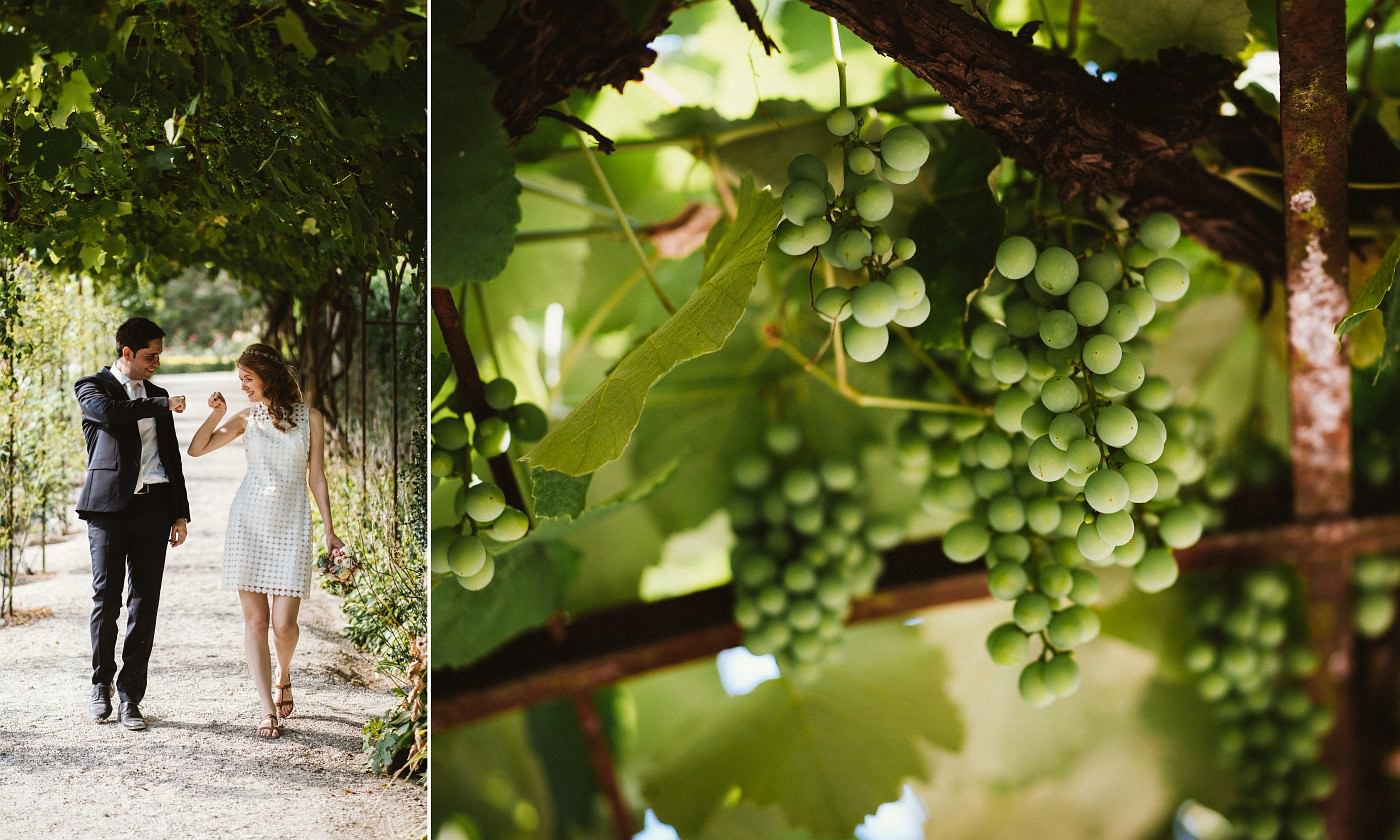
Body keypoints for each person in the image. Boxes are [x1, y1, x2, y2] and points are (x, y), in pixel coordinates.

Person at [186, 342, 344, 739]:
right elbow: (197, 449)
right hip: (248, 522)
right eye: (240, 379)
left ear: (267, 378)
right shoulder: (245, 417)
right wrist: (217, 414)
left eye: (248, 379)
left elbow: (317, 477)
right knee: (256, 621)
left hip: (291, 522)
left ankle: (283, 673)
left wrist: (329, 527)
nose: (243, 386)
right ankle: (266, 708)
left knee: (284, 625)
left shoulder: (311, 419)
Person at [74, 316, 191, 731]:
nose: (155, 362)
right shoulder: (92, 388)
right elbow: (109, 414)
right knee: (106, 599)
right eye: (149, 356)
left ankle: (130, 696)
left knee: (145, 601)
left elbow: (170, 456)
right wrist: (161, 404)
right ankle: (100, 683)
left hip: (154, 508)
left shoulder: (156, 394)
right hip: (108, 510)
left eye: (158, 355)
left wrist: (180, 512)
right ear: (127, 353)